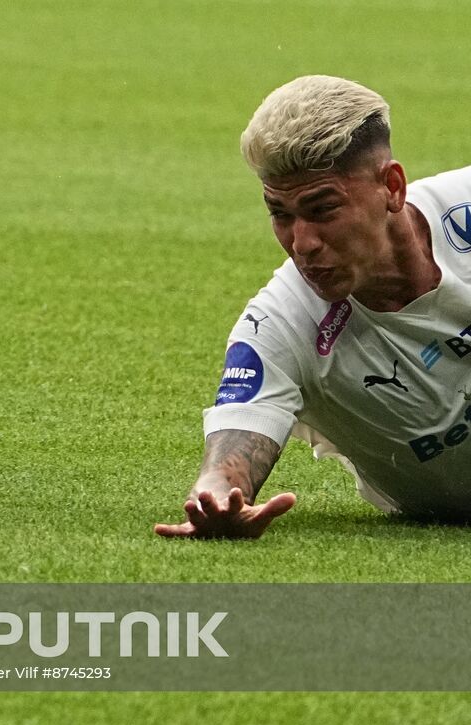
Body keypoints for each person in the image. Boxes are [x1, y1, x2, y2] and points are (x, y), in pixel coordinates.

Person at [157, 75, 471, 539]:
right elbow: (229, 464)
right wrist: (218, 498)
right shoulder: (281, 325)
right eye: (280, 214)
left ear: (392, 187)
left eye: (323, 209)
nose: (301, 244)